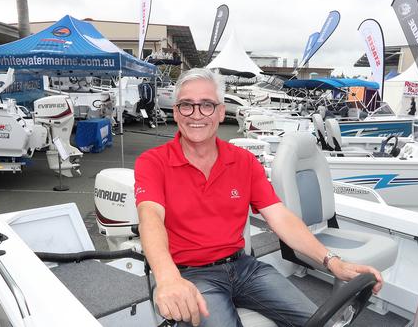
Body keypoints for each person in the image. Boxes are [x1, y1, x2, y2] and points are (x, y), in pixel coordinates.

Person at [134, 68, 383, 327]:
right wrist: (167, 277)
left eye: (207, 105)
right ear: (175, 112)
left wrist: (333, 262)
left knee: (322, 322)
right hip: (192, 274)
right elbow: (149, 217)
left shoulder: (243, 161)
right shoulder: (153, 163)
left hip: (245, 267)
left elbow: (280, 217)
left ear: (221, 112)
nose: (196, 115)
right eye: (187, 106)